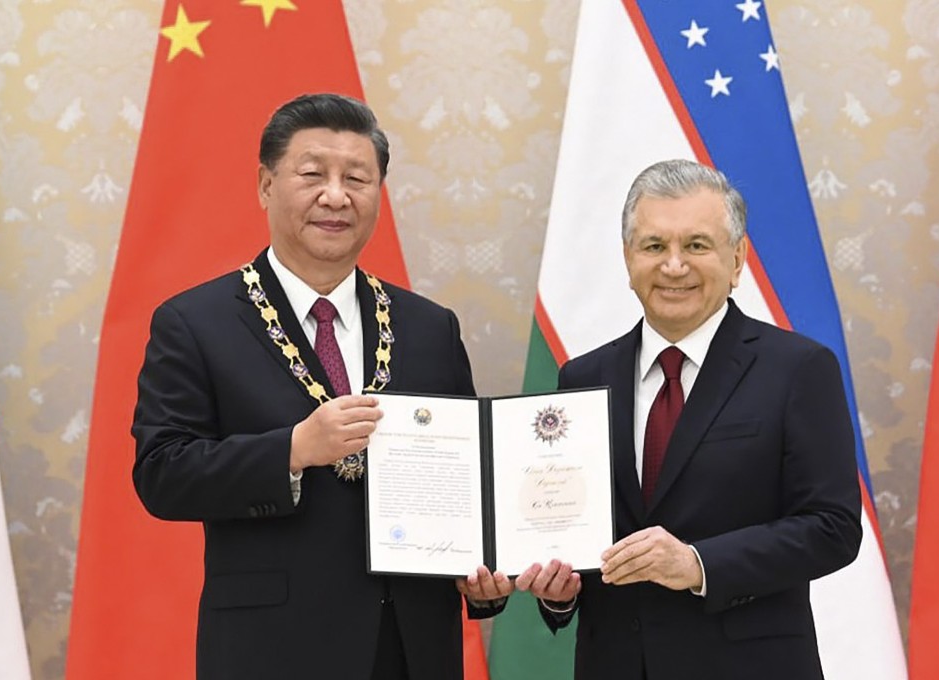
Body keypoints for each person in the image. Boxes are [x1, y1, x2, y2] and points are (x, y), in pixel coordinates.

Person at [131, 93, 511, 680]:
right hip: (271, 649)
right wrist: (292, 450)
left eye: (357, 178)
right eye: (312, 175)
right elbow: (162, 474)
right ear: (265, 185)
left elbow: (466, 483)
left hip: (411, 648)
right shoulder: (195, 322)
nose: (336, 196)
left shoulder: (430, 327)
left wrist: (487, 575)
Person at [516, 159, 862, 679]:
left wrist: (698, 564)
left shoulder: (798, 369)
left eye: (697, 245)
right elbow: (574, 528)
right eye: (654, 246)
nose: (674, 266)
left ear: (737, 259)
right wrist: (560, 590)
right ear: (628, 258)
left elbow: (832, 527)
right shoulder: (583, 377)